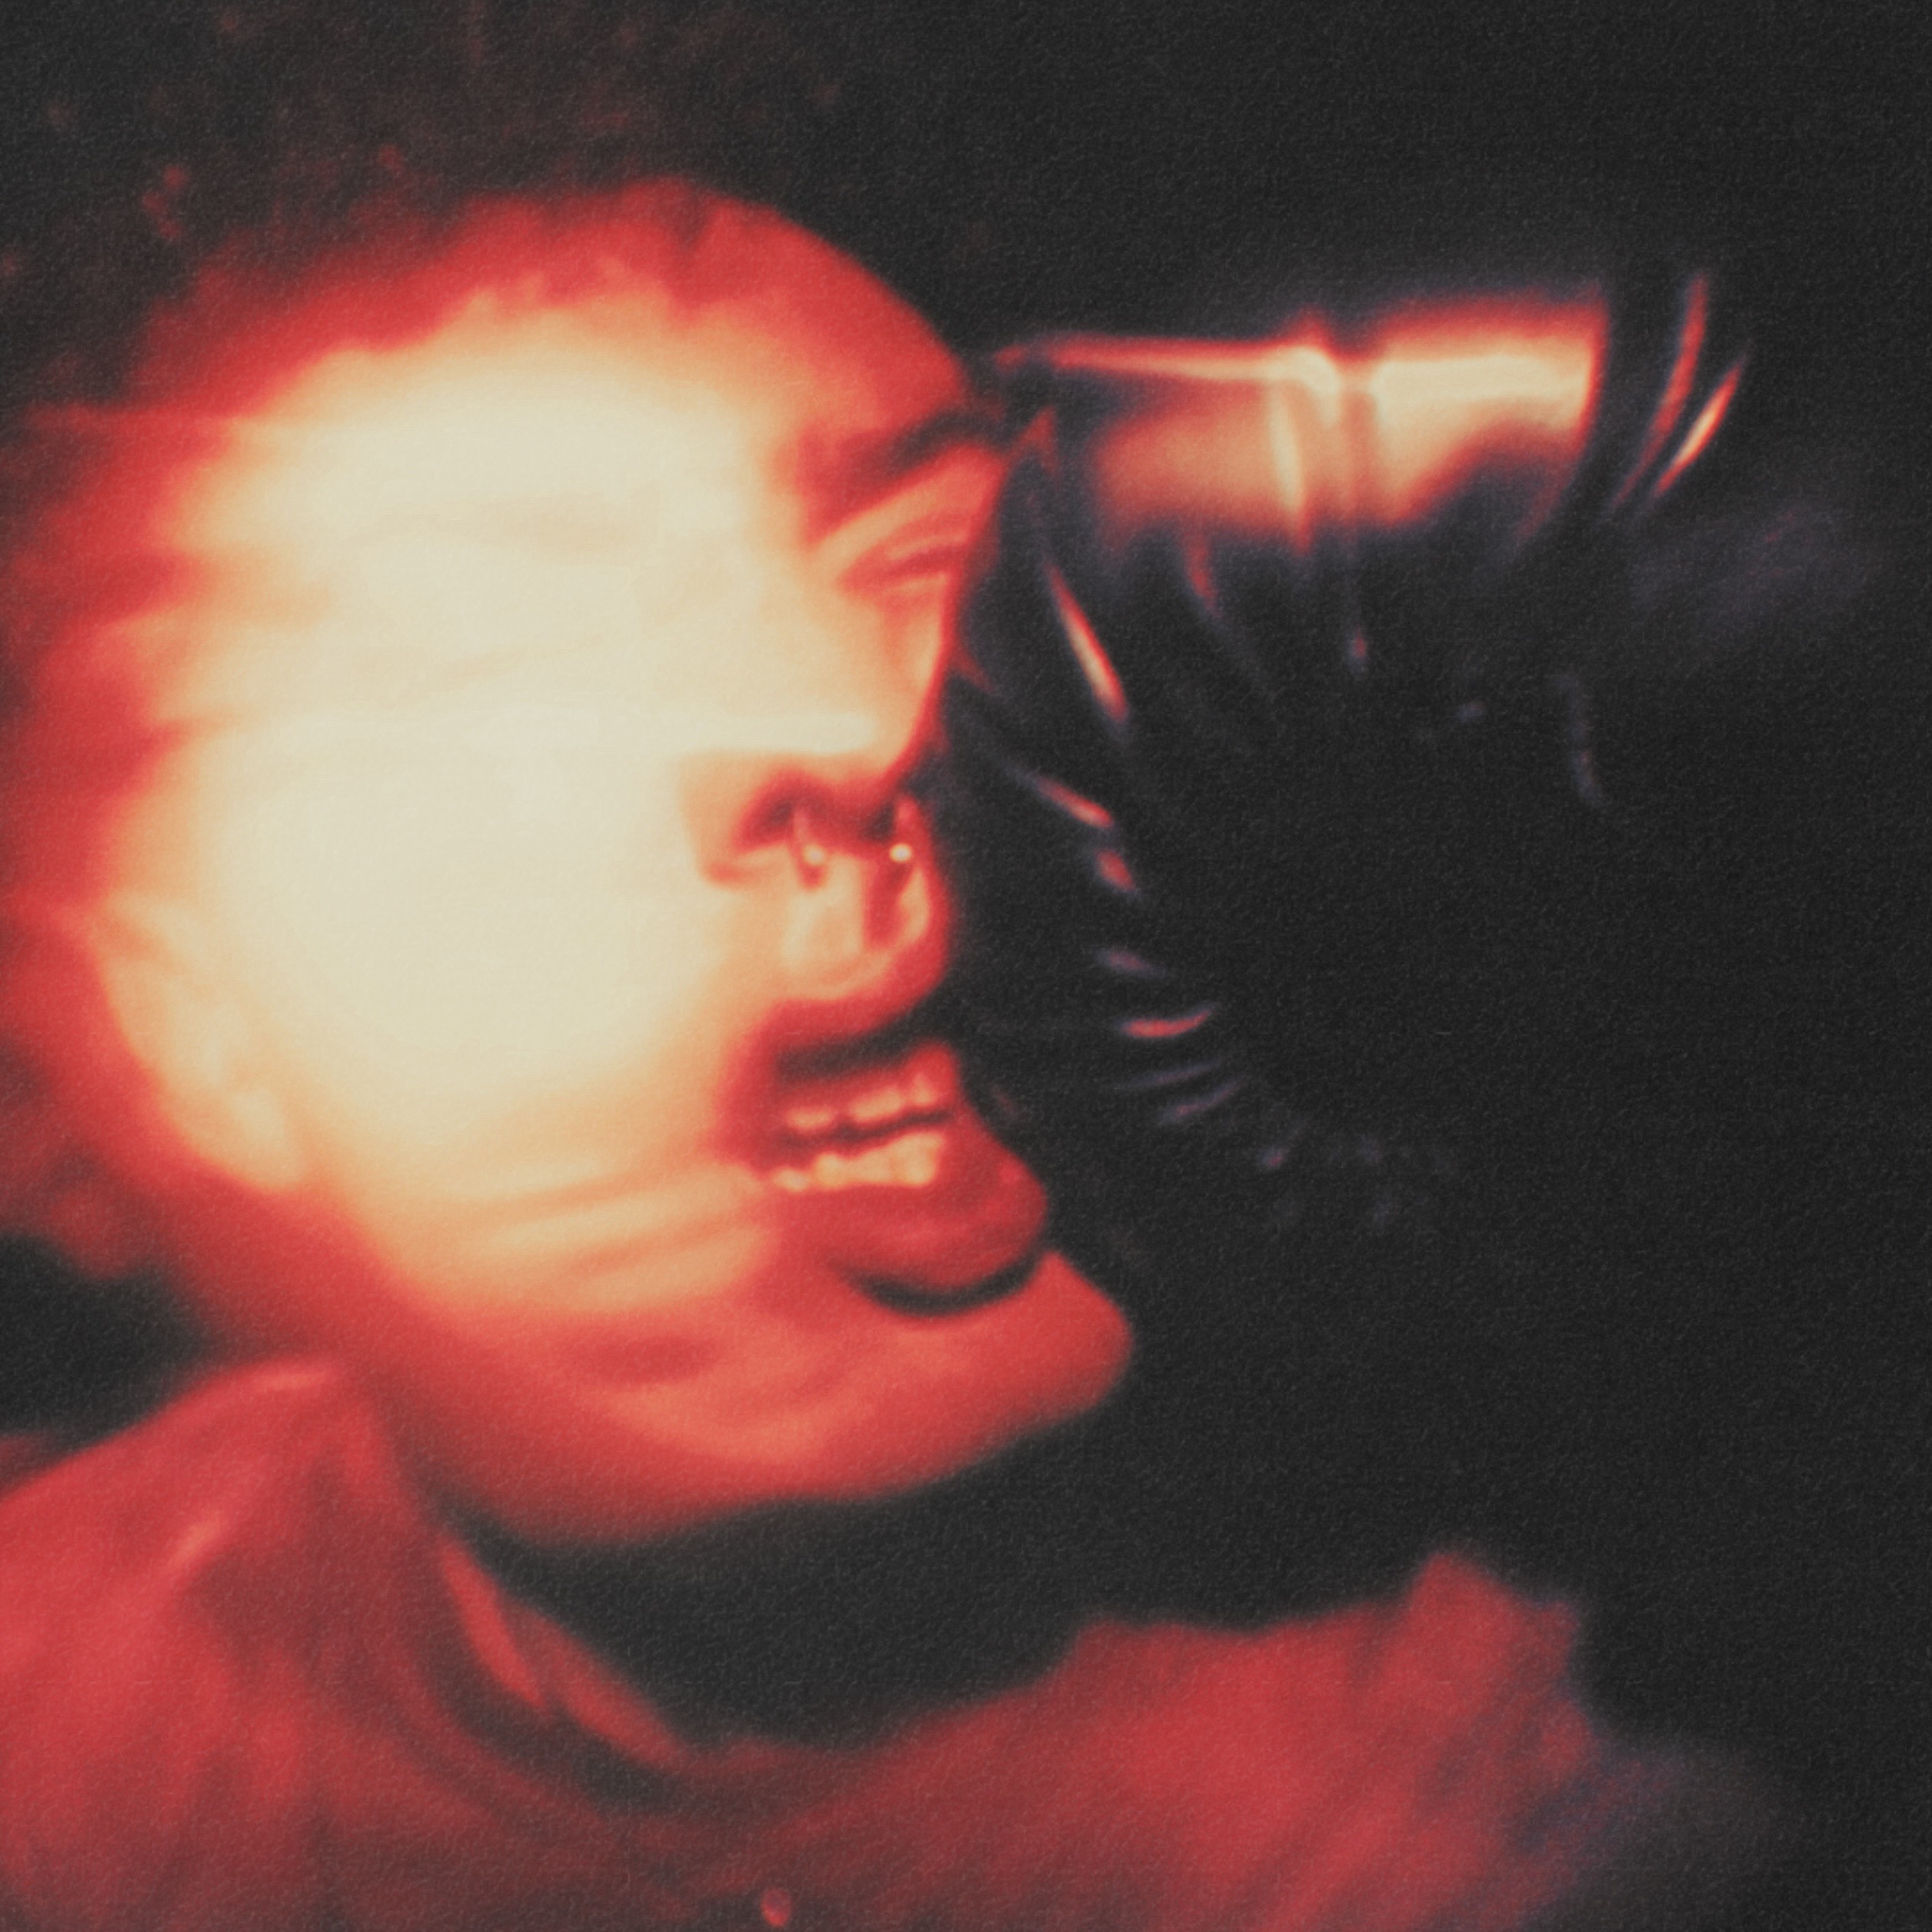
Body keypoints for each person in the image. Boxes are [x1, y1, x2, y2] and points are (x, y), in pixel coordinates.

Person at [0, 182, 1780, 1930]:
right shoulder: (51, 1725)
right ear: (185, 1025)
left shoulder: (1612, 1755)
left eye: (926, 557)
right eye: (499, 664)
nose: (854, 723)